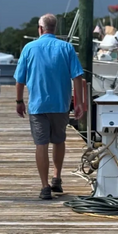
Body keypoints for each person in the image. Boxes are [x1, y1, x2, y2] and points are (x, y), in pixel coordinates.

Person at [13, 13, 85, 200]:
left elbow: (19, 79)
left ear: (40, 29)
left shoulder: (29, 48)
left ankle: (45, 186)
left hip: (38, 105)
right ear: (55, 29)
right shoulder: (66, 48)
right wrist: (79, 102)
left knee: (41, 143)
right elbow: (77, 76)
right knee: (59, 140)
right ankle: (57, 177)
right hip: (61, 104)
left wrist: (19, 101)